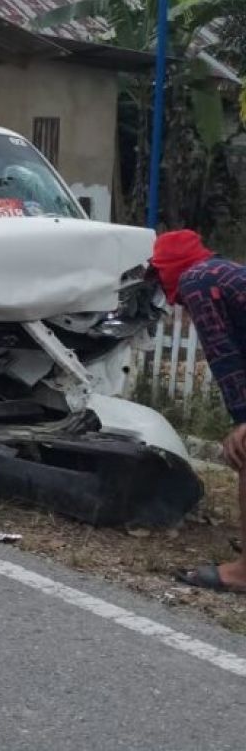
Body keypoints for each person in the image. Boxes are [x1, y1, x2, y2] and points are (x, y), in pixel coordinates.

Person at [155, 231, 246, 593]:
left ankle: (242, 574)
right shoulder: (224, 272)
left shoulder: (197, 280)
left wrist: (242, 418)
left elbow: (225, 356)